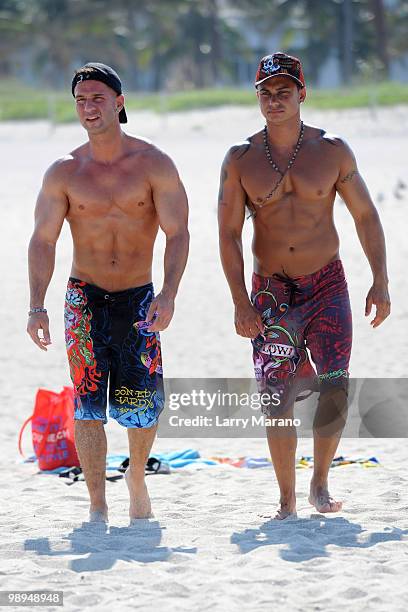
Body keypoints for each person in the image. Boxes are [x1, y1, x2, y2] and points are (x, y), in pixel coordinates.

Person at [218, 52, 390, 520]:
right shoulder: (240, 158)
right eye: (266, 93)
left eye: (284, 92)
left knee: (335, 385)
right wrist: (240, 301)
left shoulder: (332, 150)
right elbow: (229, 233)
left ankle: (319, 481)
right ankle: (285, 498)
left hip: (327, 284)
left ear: (302, 94)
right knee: (276, 400)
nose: (274, 101)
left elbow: (365, 214)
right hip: (271, 293)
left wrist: (381, 278)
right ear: (257, 97)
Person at [27, 62, 189, 523]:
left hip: (139, 299)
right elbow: (43, 239)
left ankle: (136, 475)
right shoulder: (65, 171)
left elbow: (178, 233)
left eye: (97, 97)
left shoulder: (153, 163)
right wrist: (36, 305)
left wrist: (169, 294)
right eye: (80, 100)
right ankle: (97, 502)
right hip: (84, 298)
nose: (88, 107)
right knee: (87, 403)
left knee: (141, 404)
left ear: (119, 102)